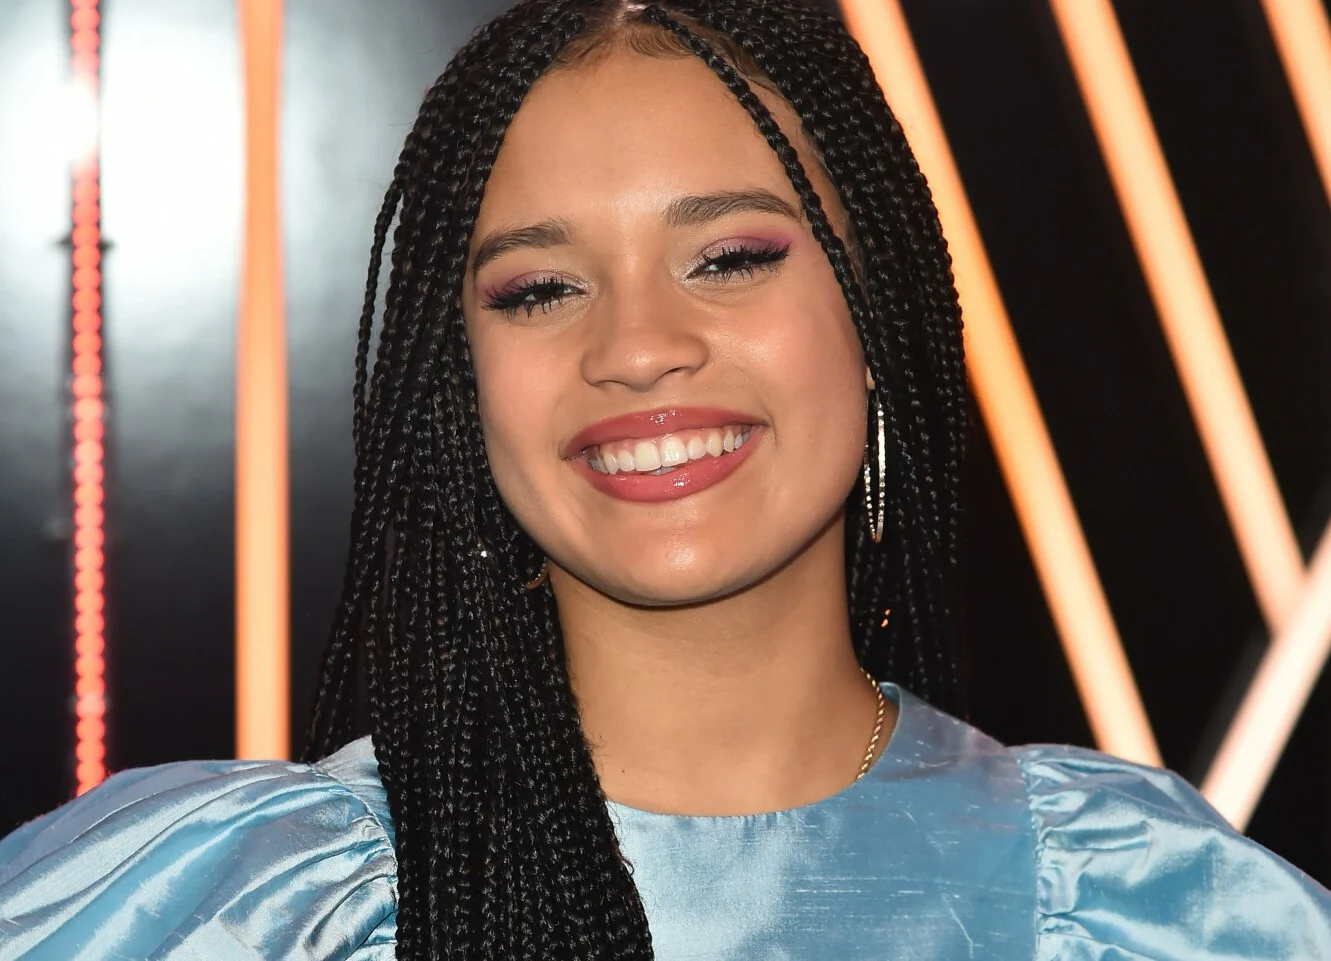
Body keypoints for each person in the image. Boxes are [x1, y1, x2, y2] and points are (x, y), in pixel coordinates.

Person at [2, 0, 1329, 958]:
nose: (636, 347)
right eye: (539, 288)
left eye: (731, 259)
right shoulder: (225, 910)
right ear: (457, 385)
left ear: (879, 316)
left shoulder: (1157, 908)